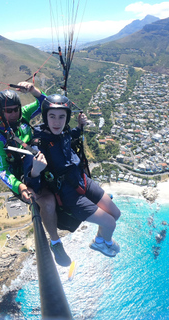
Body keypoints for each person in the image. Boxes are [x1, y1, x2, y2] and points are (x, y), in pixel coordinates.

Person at [24, 94, 122, 257]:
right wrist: (35, 170)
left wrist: (79, 126)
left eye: (62, 117)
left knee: (116, 214)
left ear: (67, 118)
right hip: (69, 195)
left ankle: (99, 240)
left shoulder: (64, 132)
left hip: (83, 181)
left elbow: (70, 137)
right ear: (46, 117)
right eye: (52, 116)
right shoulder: (39, 143)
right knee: (110, 222)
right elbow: (32, 183)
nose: (57, 122)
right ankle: (106, 243)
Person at [0, 83, 71, 266]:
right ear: (1, 113)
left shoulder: (23, 115)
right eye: (7, 111)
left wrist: (33, 90)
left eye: (15, 110)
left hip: (40, 161)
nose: (12, 114)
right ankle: (55, 242)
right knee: (48, 202)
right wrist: (20, 186)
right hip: (25, 176)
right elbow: (2, 171)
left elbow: (47, 103)